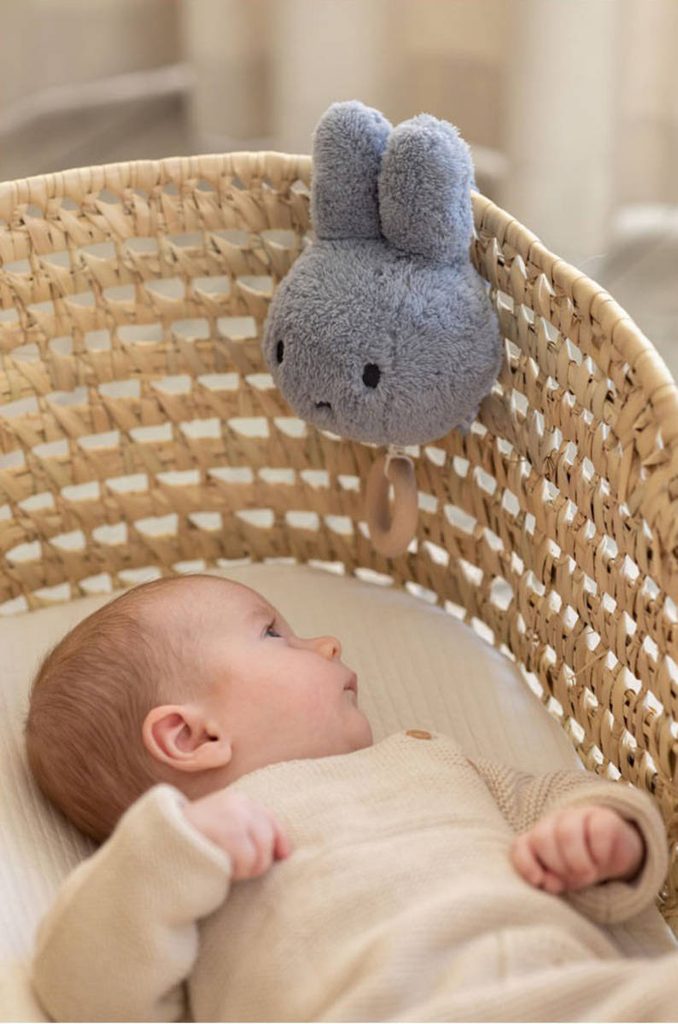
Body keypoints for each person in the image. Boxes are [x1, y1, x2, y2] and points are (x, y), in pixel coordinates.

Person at [24, 574, 678, 1022]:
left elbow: (553, 793)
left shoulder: (429, 758)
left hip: (573, 992)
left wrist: (602, 834)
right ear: (192, 736)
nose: (327, 643)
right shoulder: (190, 865)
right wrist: (172, 849)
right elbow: (81, 988)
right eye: (274, 634)